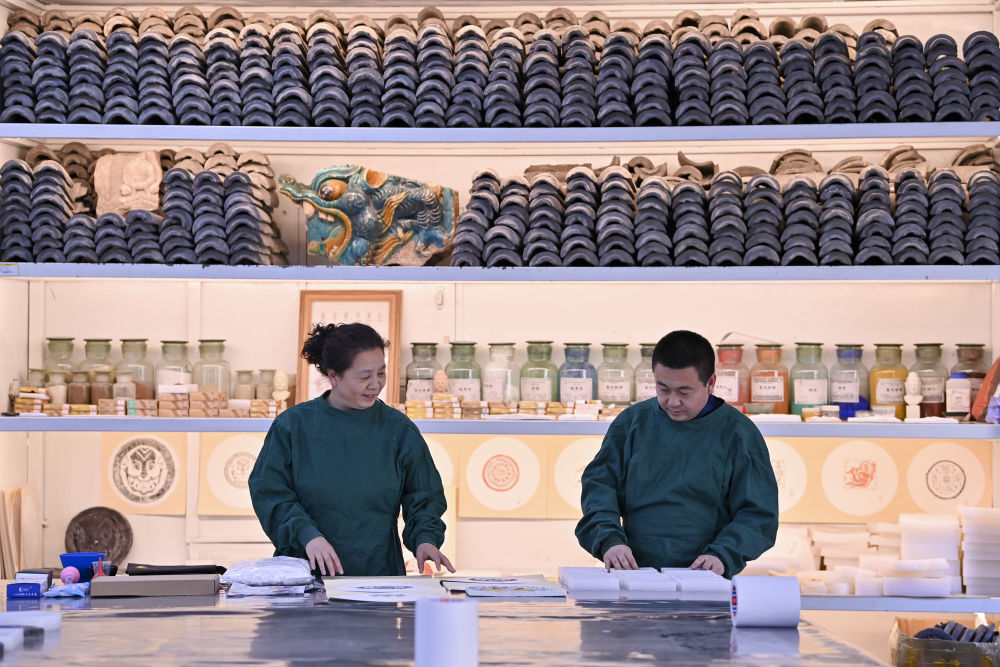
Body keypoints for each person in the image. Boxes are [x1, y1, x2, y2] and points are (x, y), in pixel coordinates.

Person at [249, 322, 455, 577]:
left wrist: (425, 539)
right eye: (364, 377)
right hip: (306, 579)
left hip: (379, 580)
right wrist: (307, 535)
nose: (375, 384)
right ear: (334, 376)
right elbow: (269, 492)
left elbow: (424, 496)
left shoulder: (399, 430)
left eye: (381, 373)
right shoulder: (292, 427)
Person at [575, 330, 779, 578]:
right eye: (663, 389)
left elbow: (758, 514)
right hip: (634, 574)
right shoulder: (632, 423)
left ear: (711, 383)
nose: (672, 402)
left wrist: (723, 555)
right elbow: (599, 487)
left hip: (705, 578)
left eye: (684, 392)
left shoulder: (739, 435)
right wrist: (609, 541)